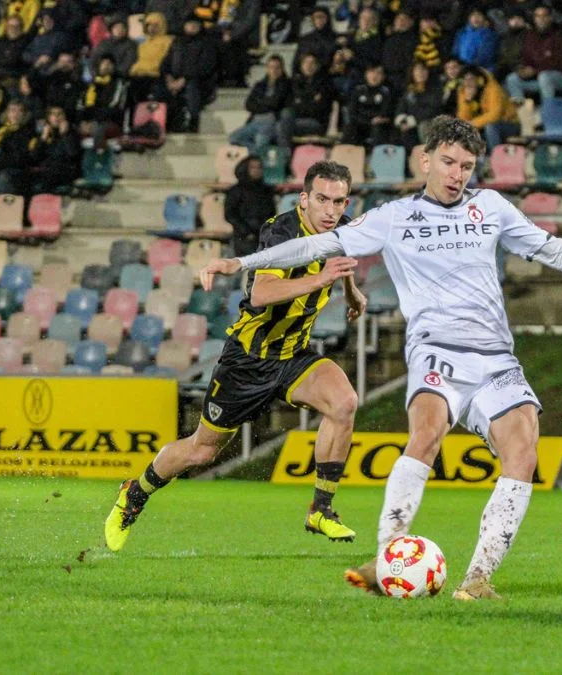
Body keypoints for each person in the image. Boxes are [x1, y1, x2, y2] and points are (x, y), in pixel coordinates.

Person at [198, 116, 562, 600]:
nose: (457, 173)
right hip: (436, 351)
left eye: (467, 166)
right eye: (448, 162)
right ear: (425, 160)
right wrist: (241, 263)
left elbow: (555, 250)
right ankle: (388, 559)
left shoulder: (491, 208)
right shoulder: (394, 216)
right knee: (427, 433)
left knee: (523, 453)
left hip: (494, 358)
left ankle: (478, 578)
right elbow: (318, 243)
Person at [105, 161, 370, 553]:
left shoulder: (342, 229)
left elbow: (340, 263)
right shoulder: (281, 231)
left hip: (293, 355)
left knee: (344, 402)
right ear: (304, 199)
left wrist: (352, 293)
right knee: (202, 449)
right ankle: (134, 494)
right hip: (247, 360)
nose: (330, 210)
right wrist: (322, 278)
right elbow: (261, 294)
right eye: (322, 200)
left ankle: (321, 509)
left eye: (338, 201)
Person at [158, 18, 219, 133]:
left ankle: (193, 121)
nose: (192, 27)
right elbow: (166, 62)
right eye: (189, 24)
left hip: (199, 81)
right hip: (174, 79)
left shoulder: (206, 43)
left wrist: (184, 79)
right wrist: (168, 78)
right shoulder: (177, 42)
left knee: (192, 88)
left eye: (195, 24)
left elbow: (205, 67)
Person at [228, 55, 292, 154]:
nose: (274, 70)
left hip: (270, 123)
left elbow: (275, 104)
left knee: (261, 142)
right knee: (233, 138)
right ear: (267, 68)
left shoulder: (286, 85)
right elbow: (248, 104)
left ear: (282, 68)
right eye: (271, 67)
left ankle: (258, 155)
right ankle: (257, 152)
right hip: (254, 122)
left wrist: (259, 103)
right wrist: (266, 104)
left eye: (277, 67)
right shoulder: (260, 85)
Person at [225, 155, 275, 258]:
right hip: (244, 237)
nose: (256, 171)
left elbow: (271, 212)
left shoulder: (267, 190)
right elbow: (230, 213)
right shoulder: (236, 190)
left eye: (259, 167)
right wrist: (246, 232)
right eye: (252, 167)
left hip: (263, 236)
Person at [344, 63, 395, 146]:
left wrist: (377, 120)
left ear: (383, 76)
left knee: (379, 129)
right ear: (366, 74)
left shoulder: (386, 92)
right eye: (371, 72)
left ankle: (377, 155)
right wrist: (368, 121)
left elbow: (385, 112)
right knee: (350, 127)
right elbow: (352, 112)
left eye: (378, 73)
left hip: (377, 125)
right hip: (360, 123)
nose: (374, 75)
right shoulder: (358, 90)